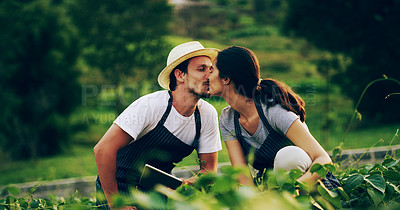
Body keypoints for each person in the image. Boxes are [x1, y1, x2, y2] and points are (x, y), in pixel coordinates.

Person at [94, 41, 222, 209]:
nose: (210, 76)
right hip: (118, 188)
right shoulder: (151, 106)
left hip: (157, 193)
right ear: (180, 75)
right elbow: (102, 150)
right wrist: (115, 204)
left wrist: (188, 184)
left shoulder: (207, 114)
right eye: (201, 69)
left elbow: (208, 171)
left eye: (211, 69)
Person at [207, 46, 340, 189]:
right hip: (271, 191)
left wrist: (294, 189)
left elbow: (324, 159)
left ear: (226, 79)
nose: (206, 76)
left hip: (314, 186)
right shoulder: (227, 120)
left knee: (289, 156)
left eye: (212, 70)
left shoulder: (273, 110)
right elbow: (242, 176)